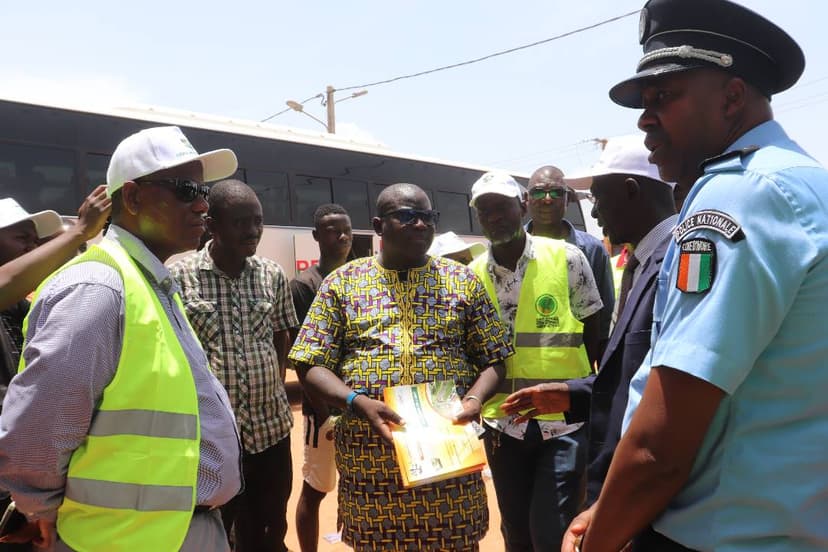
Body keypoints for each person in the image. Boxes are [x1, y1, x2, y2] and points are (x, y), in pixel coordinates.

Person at [563, 1, 828, 551]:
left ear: (733, 98)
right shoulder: (807, 184)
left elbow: (661, 445)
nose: (644, 118)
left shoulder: (740, 191)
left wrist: (603, 535)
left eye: (665, 96)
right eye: (644, 101)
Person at [0, 126, 242, 551]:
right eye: (186, 190)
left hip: (170, 531)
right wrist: (41, 510)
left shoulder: (147, 283)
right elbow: (34, 438)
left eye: (203, 190)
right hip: (127, 540)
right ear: (131, 198)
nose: (203, 205)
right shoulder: (99, 288)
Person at [289, 183, 514, 551]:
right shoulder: (342, 284)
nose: (421, 225)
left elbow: (495, 357)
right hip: (372, 467)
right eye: (407, 216)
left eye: (427, 217)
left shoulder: (462, 282)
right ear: (379, 226)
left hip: (447, 471)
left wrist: (474, 399)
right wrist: (355, 401)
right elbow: (310, 362)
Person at [498, 135, 676, 510]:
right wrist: (576, 395)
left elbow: (664, 382)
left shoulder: (674, 263)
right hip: (546, 414)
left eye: (597, 198)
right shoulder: (642, 260)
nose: (593, 214)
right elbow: (631, 366)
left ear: (630, 191)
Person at [467, 171, 602, 551]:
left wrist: (581, 394)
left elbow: (594, 333)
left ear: (522, 206)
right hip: (501, 425)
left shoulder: (568, 258)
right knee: (516, 530)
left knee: (552, 529)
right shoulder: (472, 276)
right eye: (485, 210)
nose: (495, 217)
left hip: (561, 424)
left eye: (503, 207)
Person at [171, 179, 297, 552]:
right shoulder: (181, 279)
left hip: (271, 430)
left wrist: (270, 386)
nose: (253, 231)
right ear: (212, 224)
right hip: (212, 436)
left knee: (271, 524)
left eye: (257, 221)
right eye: (241, 222)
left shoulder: (271, 274)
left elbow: (280, 337)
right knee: (217, 526)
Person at [289, 203, 352, 552]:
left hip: (359, 406)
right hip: (324, 413)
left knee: (361, 487)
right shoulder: (305, 285)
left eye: (345, 229)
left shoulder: (361, 277)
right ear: (315, 237)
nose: (341, 236)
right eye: (331, 230)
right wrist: (324, 414)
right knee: (315, 489)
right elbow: (302, 358)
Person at [525, 166, 614, 353]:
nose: (547, 199)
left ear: (568, 199)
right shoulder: (513, 248)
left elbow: (603, 319)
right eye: (539, 192)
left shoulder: (592, 249)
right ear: (526, 199)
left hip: (575, 368)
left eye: (556, 192)